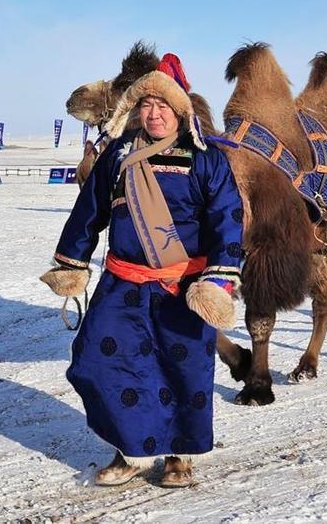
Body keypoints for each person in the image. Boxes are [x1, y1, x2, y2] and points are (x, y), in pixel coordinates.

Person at [40, 54, 243, 489]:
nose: (153, 114)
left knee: (180, 370)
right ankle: (129, 450)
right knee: (98, 363)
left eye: (163, 106)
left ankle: (178, 456)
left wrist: (219, 279)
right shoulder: (117, 155)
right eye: (146, 105)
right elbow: (88, 211)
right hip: (123, 282)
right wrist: (71, 262)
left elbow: (228, 219)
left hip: (182, 284)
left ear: (180, 110)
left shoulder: (207, 160)